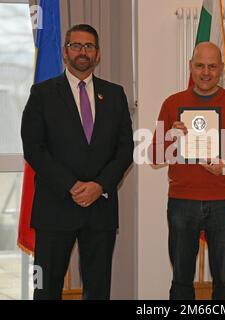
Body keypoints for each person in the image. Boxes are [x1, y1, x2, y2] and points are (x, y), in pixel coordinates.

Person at [21, 24, 134, 300]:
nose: (83, 52)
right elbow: (34, 149)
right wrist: (71, 185)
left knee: (98, 289)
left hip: (100, 208)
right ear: (64, 51)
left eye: (89, 46)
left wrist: (99, 185)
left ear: (98, 54)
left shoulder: (115, 94)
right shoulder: (42, 94)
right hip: (55, 207)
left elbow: (125, 149)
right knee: (45, 289)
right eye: (76, 46)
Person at [150, 42, 225, 300]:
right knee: (181, 279)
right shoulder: (173, 103)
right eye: (200, 65)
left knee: (224, 280)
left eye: (212, 66)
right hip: (182, 202)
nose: (206, 72)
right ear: (190, 67)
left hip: (224, 203)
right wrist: (171, 134)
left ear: (222, 70)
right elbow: (154, 156)